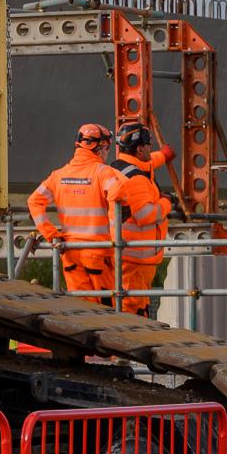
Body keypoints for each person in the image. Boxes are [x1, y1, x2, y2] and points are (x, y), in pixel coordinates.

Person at [25, 123, 125, 299]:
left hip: (69, 252)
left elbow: (34, 201)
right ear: (100, 148)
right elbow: (117, 194)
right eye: (107, 148)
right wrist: (115, 239)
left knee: (81, 308)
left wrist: (51, 234)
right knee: (106, 309)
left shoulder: (59, 175)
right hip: (98, 252)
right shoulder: (104, 173)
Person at [105, 121, 175, 316]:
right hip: (136, 260)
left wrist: (164, 156)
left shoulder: (120, 166)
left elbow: (149, 162)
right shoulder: (136, 179)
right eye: (148, 145)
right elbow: (146, 215)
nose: (150, 148)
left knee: (135, 306)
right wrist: (167, 202)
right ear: (140, 148)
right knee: (131, 311)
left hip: (130, 258)